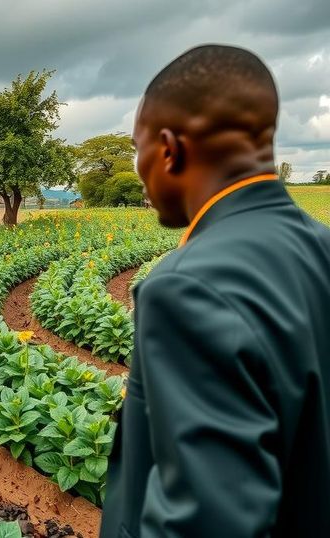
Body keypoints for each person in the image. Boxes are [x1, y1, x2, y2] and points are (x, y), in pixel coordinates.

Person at [101, 45, 330, 538]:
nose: (140, 170)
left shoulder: (186, 290)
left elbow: (207, 522)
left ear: (169, 149)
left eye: (138, 148)